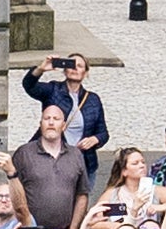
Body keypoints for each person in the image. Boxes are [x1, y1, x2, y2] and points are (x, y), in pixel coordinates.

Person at [20, 54, 110, 184]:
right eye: (71, 65)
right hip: (53, 159)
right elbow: (29, 86)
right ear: (65, 69)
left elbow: (103, 133)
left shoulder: (93, 99)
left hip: (82, 162)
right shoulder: (53, 90)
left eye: (80, 66)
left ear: (85, 73)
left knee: (80, 202)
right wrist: (41, 69)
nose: (75, 69)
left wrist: (94, 139)